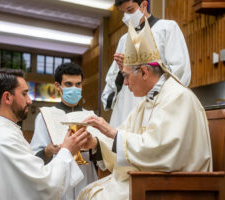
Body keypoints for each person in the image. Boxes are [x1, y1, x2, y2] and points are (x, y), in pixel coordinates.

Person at [77, 18, 212, 200]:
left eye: (125, 76)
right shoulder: (148, 102)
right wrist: (96, 143)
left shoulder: (177, 98)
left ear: (144, 72)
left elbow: (162, 152)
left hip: (177, 187)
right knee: (87, 192)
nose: (124, 83)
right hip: (154, 180)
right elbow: (129, 137)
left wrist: (112, 132)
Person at [0, 69, 89, 200]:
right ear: (7, 97)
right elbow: (43, 186)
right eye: (24, 94)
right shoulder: (4, 139)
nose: (29, 100)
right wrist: (67, 150)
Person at [102, 0, 191, 128]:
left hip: (156, 105)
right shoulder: (123, 40)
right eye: (123, 13)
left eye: (130, 10)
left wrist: (144, 66)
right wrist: (123, 72)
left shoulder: (167, 28)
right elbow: (112, 84)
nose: (126, 17)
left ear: (144, 5)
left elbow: (179, 70)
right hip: (127, 106)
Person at [30, 63, 98, 200]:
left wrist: (95, 146)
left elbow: (103, 155)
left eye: (78, 84)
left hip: (86, 176)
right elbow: (34, 158)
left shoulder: (91, 116)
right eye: (68, 84)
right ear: (57, 86)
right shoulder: (45, 116)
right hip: (60, 179)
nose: (74, 88)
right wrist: (48, 150)